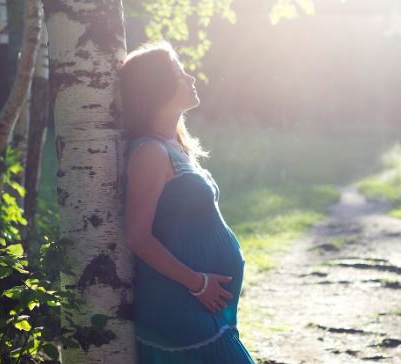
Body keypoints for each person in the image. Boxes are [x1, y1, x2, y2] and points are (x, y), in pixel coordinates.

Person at [118, 40, 256, 364]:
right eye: (180, 73)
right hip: (179, 305)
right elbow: (137, 237)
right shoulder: (150, 152)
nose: (190, 78)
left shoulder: (173, 145)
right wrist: (198, 283)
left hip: (201, 309)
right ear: (158, 88)